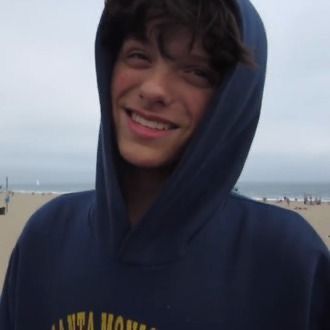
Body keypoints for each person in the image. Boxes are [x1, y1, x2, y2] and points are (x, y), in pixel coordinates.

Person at [1, 0, 329, 329]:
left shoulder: (289, 264)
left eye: (196, 72)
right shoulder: (46, 239)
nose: (155, 89)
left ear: (231, 100)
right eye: (139, 56)